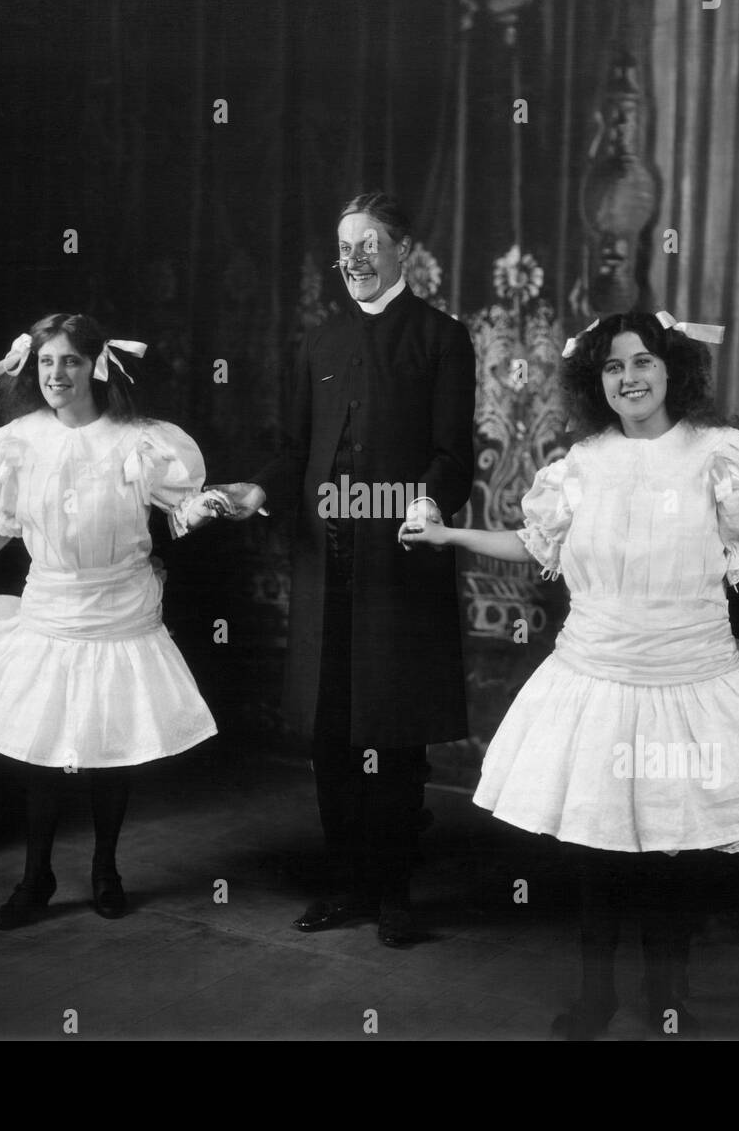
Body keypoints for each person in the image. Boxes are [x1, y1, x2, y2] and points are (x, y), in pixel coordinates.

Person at [400, 310, 739, 1036]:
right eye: (613, 367)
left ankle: (668, 999)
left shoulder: (719, 456)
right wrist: (445, 533)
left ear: (672, 370)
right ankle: (596, 1000)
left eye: (643, 362)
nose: (629, 378)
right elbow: (535, 542)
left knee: (673, 854)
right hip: (594, 683)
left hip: (688, 683)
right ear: (596, 382)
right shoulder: (582, 464)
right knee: (599, 857)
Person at [213, 192, 476, 947]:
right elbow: (292, 444)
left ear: (403, 251)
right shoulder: (319, 344)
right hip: (324, 568)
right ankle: (349, 886)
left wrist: (427, 507)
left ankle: (393, 892)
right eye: (343, 248)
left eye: (368, 245)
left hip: (398, 567)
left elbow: (453, 455)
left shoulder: (440, 338)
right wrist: (259, 487)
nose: (353, 260)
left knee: (393, 735)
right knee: (332, 735)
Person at [0, 313, 229, 930]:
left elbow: (180, 507)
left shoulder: (139, 440)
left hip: (120, 608)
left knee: (109, 751)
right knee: (44, 754)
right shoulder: (19, 439)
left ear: (96, 367)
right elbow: (2, 522)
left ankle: (106, 870)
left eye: (71, 362)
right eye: (47, 362)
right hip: (52, 609)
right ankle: (37, 877)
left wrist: (212, 505)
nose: (57, 374)